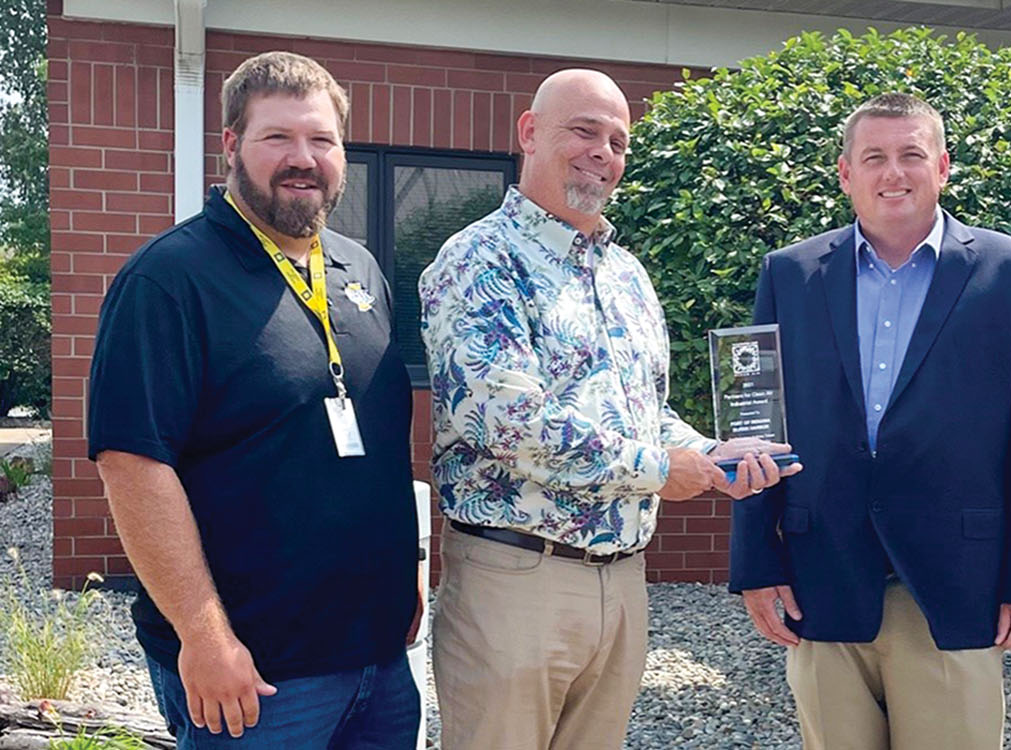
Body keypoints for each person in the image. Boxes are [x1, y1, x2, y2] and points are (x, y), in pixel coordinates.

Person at [418, 68, 796, 750]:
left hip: (621, 582)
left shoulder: (625, 274)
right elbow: (511, 424)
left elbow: (646, 411)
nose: (604, 153)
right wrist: (660, 470)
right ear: (530, 134)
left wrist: (712, 454)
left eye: (618, 141)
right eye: (584, 131)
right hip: (515, 581)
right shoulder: (479, 260)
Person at [88, 51, 422, 748]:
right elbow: (133, 465)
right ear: (233, 146)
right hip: (256, 674)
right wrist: (203, 637)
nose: (303, 158)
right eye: (278, 138)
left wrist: (409, 574)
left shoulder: (359, 269)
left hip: (379, 661)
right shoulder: (169, 280)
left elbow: (384, 436)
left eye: (321, 140)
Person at [729, 93, 1011, 749]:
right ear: (845, 174)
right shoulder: (789, 274)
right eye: (875, 157)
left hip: (956, 584)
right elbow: (756, 424)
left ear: (942, 167)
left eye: (911, 155)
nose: (894, 173)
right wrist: (755, 562)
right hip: (821, 577)